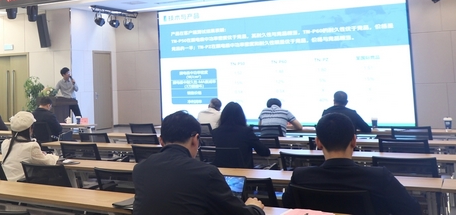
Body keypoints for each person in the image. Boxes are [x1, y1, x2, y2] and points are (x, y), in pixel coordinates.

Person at [282, 113, 421, 215]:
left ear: (318, 142)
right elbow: (412, 211)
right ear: (354, 141)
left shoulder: (301, 176)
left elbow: (288, 207)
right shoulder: (379, 177)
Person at [132, 110, 265, 215]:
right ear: (195, 139)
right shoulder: (206, 173)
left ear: (161, 141)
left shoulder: (140, 168)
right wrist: (255, 208)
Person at [0, 111, 59, 181]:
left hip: (5, 182)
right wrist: (54, 156)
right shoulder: (32, 146)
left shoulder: (5, 143)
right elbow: (47, 162)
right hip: (21, 184)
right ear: (30, 129)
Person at [212, 102, 270, 168]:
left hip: (221, 170)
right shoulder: (247, 132)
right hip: (243, 171)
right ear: (241, 116)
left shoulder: (215, 132)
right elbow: (264, 152)